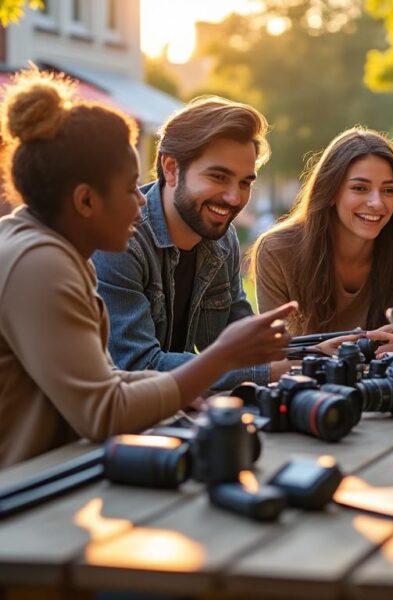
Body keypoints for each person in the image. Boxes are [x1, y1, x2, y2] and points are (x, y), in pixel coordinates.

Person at [0, 69, 296, 467]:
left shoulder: (52, 253)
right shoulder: (39, 264)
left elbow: (108, 379)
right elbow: (104, 411)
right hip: (22, 491)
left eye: (245, 182)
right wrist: (222, 357)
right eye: (129, 188)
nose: (141, 201)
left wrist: (176, 390)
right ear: (86, 201)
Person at [92, 95, 274, 389]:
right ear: (171, 168)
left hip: (177, 408)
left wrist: (312, 353)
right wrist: (269, 372)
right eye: (218, 177)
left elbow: (245, 345)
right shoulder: (121, 240)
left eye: (245, 183)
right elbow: (138, 366)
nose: (234, 198)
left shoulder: (222, 238)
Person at [253, 127, 393, 356]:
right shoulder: (277, 251)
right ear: (330, 191)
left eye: (389, 190)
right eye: (360, 188)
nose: (377, 203)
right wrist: (317, 354)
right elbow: (272, 356)